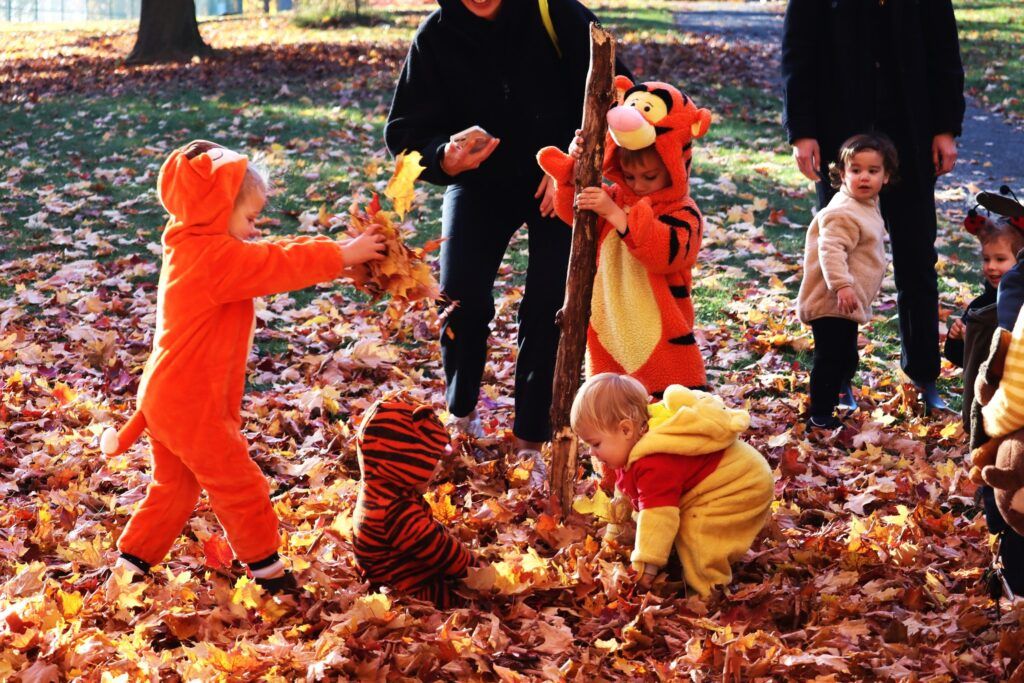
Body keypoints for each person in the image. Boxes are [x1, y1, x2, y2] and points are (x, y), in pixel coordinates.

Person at [101, 140, 385, 592]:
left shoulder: (196, 246)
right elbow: (275, 262)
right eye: (250, 219)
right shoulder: (213, 257)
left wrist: (338, 264)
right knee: (240, 485)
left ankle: (129, 568)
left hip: (169, 395)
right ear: (217, 209)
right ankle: (270, 576)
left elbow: (272, 254)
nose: (255, 231)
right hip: (191, 403)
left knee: (176, 488)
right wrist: (342, 254)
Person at [383, 0, 632, 480]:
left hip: (558, 184)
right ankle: (461, 413)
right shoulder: (435, 34)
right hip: (478, 185)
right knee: (461, 299)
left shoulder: (555, 13)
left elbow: (619, 90)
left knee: (548, 307)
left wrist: (572, 161)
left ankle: (530, 439)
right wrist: (444, 156)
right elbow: (403, 131)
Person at [781, 0, 965, 413]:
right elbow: (798, 53)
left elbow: (944, 54)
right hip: (840, 136)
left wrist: (946, 128)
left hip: (912, 134)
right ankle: (838, 378)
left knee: (917, 257)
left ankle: (923, 376)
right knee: (837, 257)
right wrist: (802, 131)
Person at [538, 77, 712, 397]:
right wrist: (576, 166)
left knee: (669, 403)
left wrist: (618, 217)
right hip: (610, 324)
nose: (639, 184)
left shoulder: (683, 212)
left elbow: (663, 254)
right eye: (630, 175)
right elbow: (572, 212)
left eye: (649, 176)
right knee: (610, 405)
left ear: (675, 166)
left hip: (661, 335)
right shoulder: (616, 196)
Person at [570, 374, 774, 596]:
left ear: (626, 429)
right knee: (684, 527)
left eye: (595, 443)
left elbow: (658, 517)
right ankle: (686, 570)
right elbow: (623, 500)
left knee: (700, 535)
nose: (591, 453)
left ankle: (708, 593)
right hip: (719, 482)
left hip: (740, 484)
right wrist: (612, 544)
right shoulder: (629, 448)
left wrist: (645, 568)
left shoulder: (655, 461)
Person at [797, 133, 895, 430]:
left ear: (886, 176)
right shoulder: (842, 212)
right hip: (831, 299)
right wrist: (842, 285)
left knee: (845, 356)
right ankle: (821, 415)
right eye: (855, 170)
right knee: (830, 358)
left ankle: (835, 395)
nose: (864, 177)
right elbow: (830, 250)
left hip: (846, 302)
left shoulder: (865, 205)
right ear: (842, 175)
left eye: (873, 171)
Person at [353, 394, 478, 608]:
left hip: (400, 575)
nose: (438, 468)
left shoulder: (382, 492)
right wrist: (479, 569)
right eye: (429, 461)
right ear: (401, 462)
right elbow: (441, 550)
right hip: (409, 589)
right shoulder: (394, 511)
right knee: (469, 598)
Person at [944, 212, 1021, 426]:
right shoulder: (980, 306)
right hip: (986, 403)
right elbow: (964, 359)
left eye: (1000, 259)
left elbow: (1008, 355)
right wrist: (959, 338)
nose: (991, 266)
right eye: (986, 259)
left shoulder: (1018, 307)